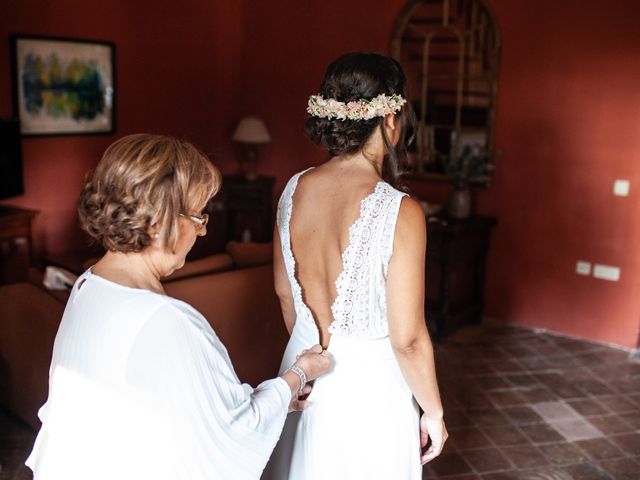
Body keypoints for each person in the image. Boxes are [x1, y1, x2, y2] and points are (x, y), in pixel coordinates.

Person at [25, 134, 331, 480]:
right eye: (199, 217)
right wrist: (298, 374)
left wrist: (278, 398)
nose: (201, 232)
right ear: (159, 220)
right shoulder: (168, 320)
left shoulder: (87, 286)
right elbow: (237, 428)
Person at [264, 52, 447, 479]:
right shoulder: (400, 212)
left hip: (302, 368)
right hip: (370, 391)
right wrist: (433, 413)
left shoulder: (294, 189)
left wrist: (309, 351)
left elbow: (283, 293)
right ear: (391, 120)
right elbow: (409, 340)